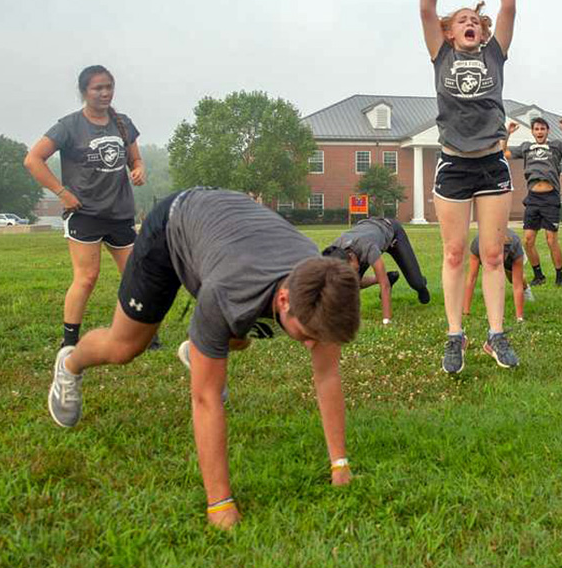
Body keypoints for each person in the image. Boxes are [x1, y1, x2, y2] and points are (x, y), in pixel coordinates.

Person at [46, 187, 361, 530]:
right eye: (308, 335)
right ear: (284, 300)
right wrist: (219, 504)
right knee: (125, 347)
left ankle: (202, 352)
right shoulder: (226, 292)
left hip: (229, 239)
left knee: (237, 333)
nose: (312, 343)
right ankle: (69, 364)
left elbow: (327, 375)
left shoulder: (321, 287)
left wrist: (340, 464)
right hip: (172, 229)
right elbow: (206, 398)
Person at [420, 0, 519, 373]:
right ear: (449, 31)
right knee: (456, 253)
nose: (471, 25)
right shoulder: (441, 55)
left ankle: (495, 336)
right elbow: (425, 8)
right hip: (454, 166)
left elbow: (509, 7)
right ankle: (455, 335)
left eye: (475, 22)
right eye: (463, 21)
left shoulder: (494, 55)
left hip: (492, 165)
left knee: (494, 254)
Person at [24, 66, 163, 350]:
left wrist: (139, 170)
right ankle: (70, 342)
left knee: (137, 277)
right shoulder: (69, 126)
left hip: (120, 214)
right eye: (97, 88)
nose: (104, 93)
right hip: (85, 214)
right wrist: (62, 192)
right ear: (84, 92)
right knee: (87, 278)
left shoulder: (123, 123)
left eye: (109, 87)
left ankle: (148, 337)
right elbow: (33, 160)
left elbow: (136, 160)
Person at [504, 117, 562, 286]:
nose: (539, 132)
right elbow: (502, 153)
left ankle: (559, 276)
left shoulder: (556, 146)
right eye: (536, 129)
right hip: (533, 198)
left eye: (542, 129)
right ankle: (539, 276)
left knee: (551, 240)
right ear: (533, 132)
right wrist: (507, 134)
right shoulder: (526, 148)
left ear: (547, 131)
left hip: (550, 197)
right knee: (528, 240)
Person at [322, 217, 430, 325]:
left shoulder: (368, 248)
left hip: (392, 232)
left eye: (349, 270)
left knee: (416, 283)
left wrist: (386, 321)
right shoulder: (335, 251)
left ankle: (421, 286)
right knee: (352, 283)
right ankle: (387, 277)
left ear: (351, 257)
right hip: (369, 234)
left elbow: (385, 285)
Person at [463, 228, 534, 324]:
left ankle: (527, 290)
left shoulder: (515, 247)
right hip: (487, 256)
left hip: (511, 258)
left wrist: (519, 318)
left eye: (502, 255)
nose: (499, 258)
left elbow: (517, 285)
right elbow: (472, 278)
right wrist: (466, 312)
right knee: (492, 277)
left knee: (515, 279)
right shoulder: (477, 245)